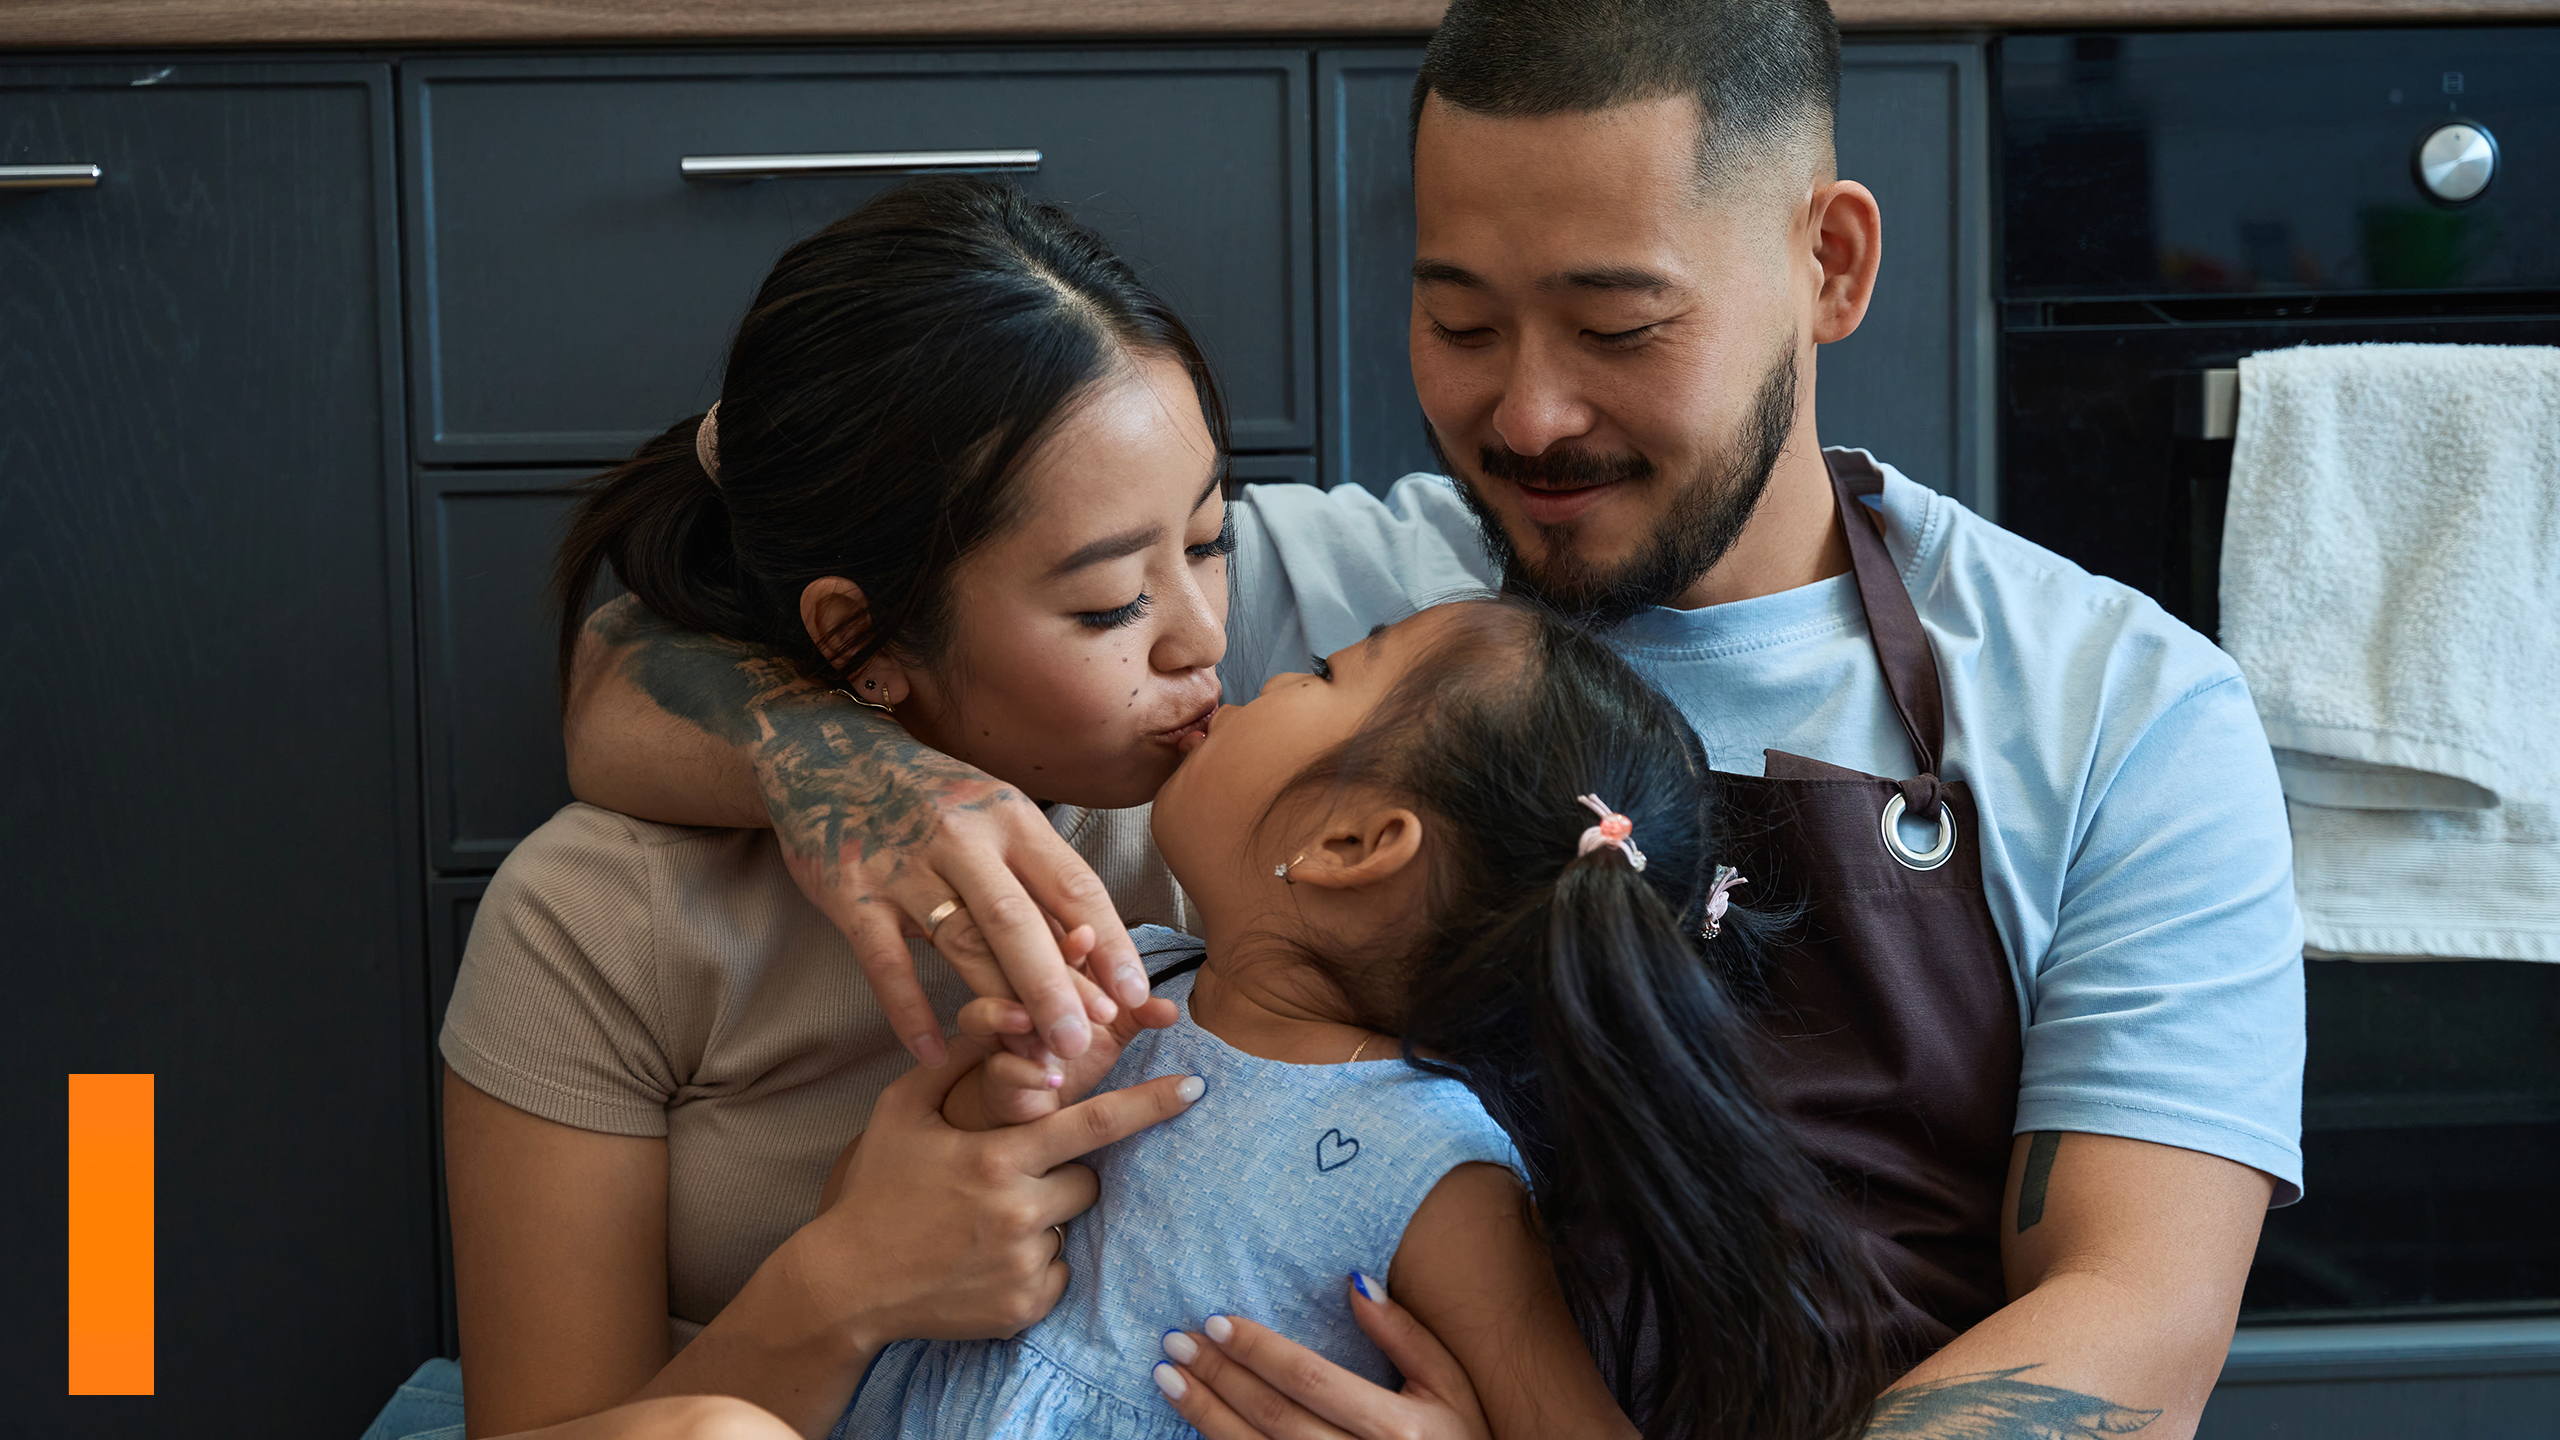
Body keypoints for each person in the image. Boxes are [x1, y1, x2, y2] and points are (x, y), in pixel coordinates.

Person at [565, 1, 2307, 1436]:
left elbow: (2135, 1322)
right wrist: (865, 775)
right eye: (1459, 318)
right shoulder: (1322, 603)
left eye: (1619, 327)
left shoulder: (2122, 713)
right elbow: (626, 662)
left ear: (1828, 266)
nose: (1528, 412)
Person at [374, 180, 1271, 1440]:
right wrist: (850, 1285)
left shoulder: (1238, 814)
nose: (1203, 636)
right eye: (1110, 604)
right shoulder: (596, 918)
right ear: (863, 636)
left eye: (1214, 536)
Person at [850, 598, 1888, 1440]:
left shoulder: (1429, 1165)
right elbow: (943, 1193)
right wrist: (1008, 1088)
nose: (1260, 680)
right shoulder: (1133, 968)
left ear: (1354, 842)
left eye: (1324, 675)